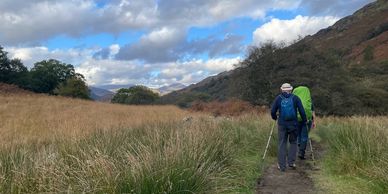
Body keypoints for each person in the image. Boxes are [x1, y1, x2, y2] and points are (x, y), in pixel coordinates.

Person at [271, 83, 307, 172]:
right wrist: (305, 120)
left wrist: (275, 117)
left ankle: (282, 165)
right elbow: (302, 111)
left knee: (282, 143)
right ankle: (291, 162)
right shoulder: (295, 98)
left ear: (282, 90)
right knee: (293, 142)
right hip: (293, 124)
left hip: (282, 124)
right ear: (291, 90)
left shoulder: (278, 98)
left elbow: (272, 111)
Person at [292, 86, 316, 160]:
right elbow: (312, 111)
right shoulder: (308, 100)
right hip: (307, 119)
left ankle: (299, 145)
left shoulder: (294, 99)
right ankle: (301, 152)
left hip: (296, 119)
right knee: (304, 136)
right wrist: (314, 121)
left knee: (298, 134)